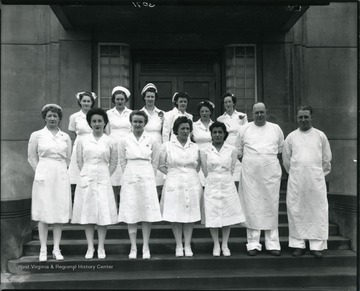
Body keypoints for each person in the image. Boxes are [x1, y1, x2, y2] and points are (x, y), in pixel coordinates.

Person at [282, 105, 332, 258]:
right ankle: (298, 245)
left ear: (311, 117)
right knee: (296, 211)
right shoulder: (291, 137)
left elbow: (326, 159)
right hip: (297, 180)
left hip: (315, 181)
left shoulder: (320, 136)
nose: (303, 120)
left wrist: (315, 174)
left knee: (317, 211)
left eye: (306, 117)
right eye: (300, 117)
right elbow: (286, 161)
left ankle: (316, 246)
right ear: (297, 118)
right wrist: (298, 173)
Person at [236, 102, 284, 256]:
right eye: (256, 112)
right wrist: (252, 164)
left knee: (271, 206)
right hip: (251, 176)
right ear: (252, 113)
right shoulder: (244, 129)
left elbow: (280, 152)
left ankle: (272, 244)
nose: (259, 115)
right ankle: (253, 244)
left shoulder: (275, 129)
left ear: (266, 112)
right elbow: (239, 152)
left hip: (270, 175)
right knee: (252, 207)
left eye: (262, 112)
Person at [71, 108, 118, 260]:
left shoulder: (110, 141)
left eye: (100, 121)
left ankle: (101, 246)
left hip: (103, 177)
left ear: (105, 123)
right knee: (88, 212)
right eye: (94, 121)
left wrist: (105, 174)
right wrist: (87, 173)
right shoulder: (82, 141)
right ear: (90, 123)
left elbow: (114, 161)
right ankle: (90, 246)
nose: (97, 124)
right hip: (87, 177)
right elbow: (79, 161)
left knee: (103, 213)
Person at [28, 104, 72, 261]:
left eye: (55, 116)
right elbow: (32, 157)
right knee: (44, 211)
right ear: (45, 117)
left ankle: (56, 248)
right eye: (49, 116)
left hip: (60, 174)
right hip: (44, 173)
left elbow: (68, 157)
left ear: (60, 118)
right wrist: (41, 170)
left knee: (59, 211)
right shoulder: (37, 135)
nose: (52, 118)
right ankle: (43, 248)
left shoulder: (65, 137)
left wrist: (60, 169)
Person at [118, 110, 162, 260]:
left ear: (145, 123)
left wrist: (150, 176)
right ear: (131, 122)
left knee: (146, 212)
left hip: (147, 174)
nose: (137, 124)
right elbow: (122, 161)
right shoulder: (124, 139)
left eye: (140, 122)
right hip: (130, 174)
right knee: (131, 211)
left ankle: (145, 246)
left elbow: (155, 161)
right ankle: (133, 246)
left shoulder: (152, 139)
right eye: (135, 121)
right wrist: (129, 174)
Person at [200, 121, 246, 257]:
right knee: (213, 214)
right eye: (215, 132)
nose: (218, 135)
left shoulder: (232, 150)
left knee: (227, 215)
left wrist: (224, 177)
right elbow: (204, 169)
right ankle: (216, 244)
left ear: (224, 134)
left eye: (220, 132)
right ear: (211, 134)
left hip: (227, 183)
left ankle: (225, 244)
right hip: (211, 184)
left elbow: (232, 168)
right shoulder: (204, 151)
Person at [159, 116, 203, 257]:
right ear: (176, 130)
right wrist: (173, 173)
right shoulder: (167, 146)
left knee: (190, 214)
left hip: (191, 182)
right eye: (182, 128)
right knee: (175, 213)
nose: (185, 131)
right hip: (174, 182)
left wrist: (188, 174)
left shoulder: (195, 147)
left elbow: (199, 165)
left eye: (187, 129)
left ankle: (188, 244)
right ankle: (179, 244)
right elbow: (160, 165)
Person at [106, 86, 132, 204]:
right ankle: (114, 203)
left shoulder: (131, 113)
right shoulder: (109, 113)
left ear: (125, 100)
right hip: (113, 144)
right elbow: (107, 131)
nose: (120, 101)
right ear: (114, 100)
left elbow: (132, 129)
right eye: (117, 99)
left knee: (124, 174)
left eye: (122, 99)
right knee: (114, 175)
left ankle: (124, 204)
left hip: (126, 145)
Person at [217, 93, 248, 186]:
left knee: (240, 177)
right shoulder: (220, 119)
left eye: (229, 102)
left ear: (234, 103)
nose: (228, 104)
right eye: (225, 102)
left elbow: (246, 133)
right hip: (226, 147)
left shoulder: (242, 116)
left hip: (239, 147)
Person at [140, 83, 165, 191]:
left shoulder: (161, 113)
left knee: (158, 174)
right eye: (148, 96)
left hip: (158, 143)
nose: (150, 99)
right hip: (144, 144)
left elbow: (165, 131)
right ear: (144, 97)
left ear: (155, 98)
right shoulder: (140, 113)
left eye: (152, 96)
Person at [68, 92, 96, 190]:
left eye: (88, 101)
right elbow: (74, 133)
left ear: (92, 102)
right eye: (84, 101)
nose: (86, 103)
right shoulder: (74, 117)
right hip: (79, 144)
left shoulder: (96, 115)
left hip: (94, 143)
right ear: (80, 102)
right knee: (78, 173)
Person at [192, 101, 215, 186]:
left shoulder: (214, 125)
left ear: (210, 112)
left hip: (211, 154)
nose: (204, 113)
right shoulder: (194, 125)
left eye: (206, 111)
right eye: (202, 111)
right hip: (197, 155)